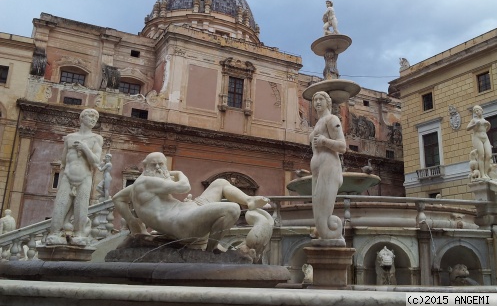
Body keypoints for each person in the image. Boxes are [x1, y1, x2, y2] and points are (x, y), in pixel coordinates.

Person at [113, 152, 270, 252]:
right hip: (181, 223)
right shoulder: (146, 182)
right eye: (154, 165)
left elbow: (117, 198)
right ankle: (209, 252)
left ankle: (248, 200)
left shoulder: (138, 185)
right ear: (145, 166)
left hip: (188, 210)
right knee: (232, 209)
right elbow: (184, 187)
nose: (159, 168)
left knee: (220, 183)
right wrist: (179, 173)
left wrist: (132, 221)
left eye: (161, 164)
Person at [47, 109, 103, 246]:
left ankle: (80, 234)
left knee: (81, 208)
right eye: (90, 116)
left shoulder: (97, 139)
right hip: (67, 176)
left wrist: (85, 148)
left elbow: (95, 162)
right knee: (60, 206)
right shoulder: (70, 137)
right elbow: (63, 161)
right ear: (82, 118)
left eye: (96, 117)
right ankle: (54, 233)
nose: (93, 119)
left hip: (85, 177)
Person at [309, 91, 346, 242]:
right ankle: (326, 238)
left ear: (328, 102)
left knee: (323, 218)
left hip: (329, 168)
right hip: (318, 171)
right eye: (315, 99)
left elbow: (343, 147)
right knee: (318, 215)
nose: (317, 102)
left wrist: (325, 141)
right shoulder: (318, 122)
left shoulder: (332, 119)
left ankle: (333, 237)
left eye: (320, 99)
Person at [466, 105, 492, 180]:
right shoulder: (474, 120)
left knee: (489, 155)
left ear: (481, 110)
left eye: (478, 110)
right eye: (475, 111)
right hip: (477, 137)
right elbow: (467, 128)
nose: (476, 112)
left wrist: (488, 125)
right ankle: (482, 174)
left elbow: (486, 129)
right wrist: (474, 125)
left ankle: (486, 173)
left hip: (485, 137)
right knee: (481, 155)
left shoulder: (484, 120)